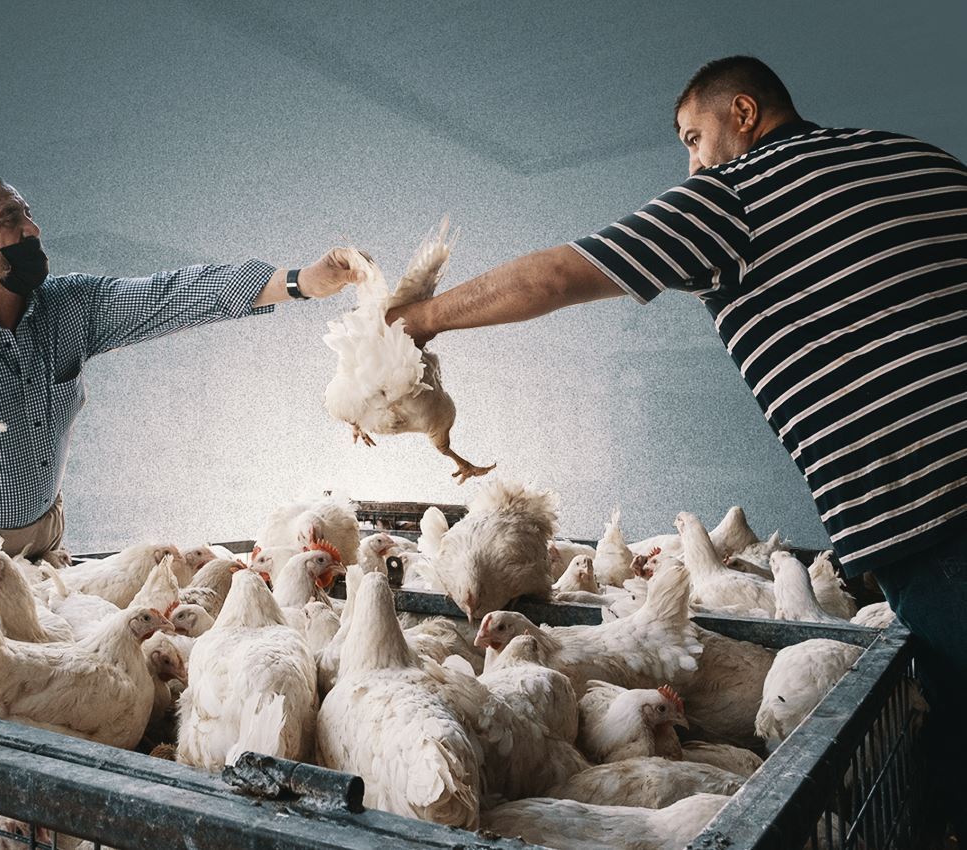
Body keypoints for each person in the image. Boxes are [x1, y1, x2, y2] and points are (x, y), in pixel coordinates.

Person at [386, 56, 965, 836]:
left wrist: (417, 322)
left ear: (744, 114)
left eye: (695, 138)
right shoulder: (917, 161)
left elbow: (556, 276)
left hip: (930, 506)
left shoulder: (735, 195)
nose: (692, 163)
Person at [0, 172, 363, 570]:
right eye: (10, 219)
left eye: (28, 215)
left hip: (45, 546)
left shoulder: (73, 307)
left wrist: (302, 282)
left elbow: (173, 295)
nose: (32, 230)